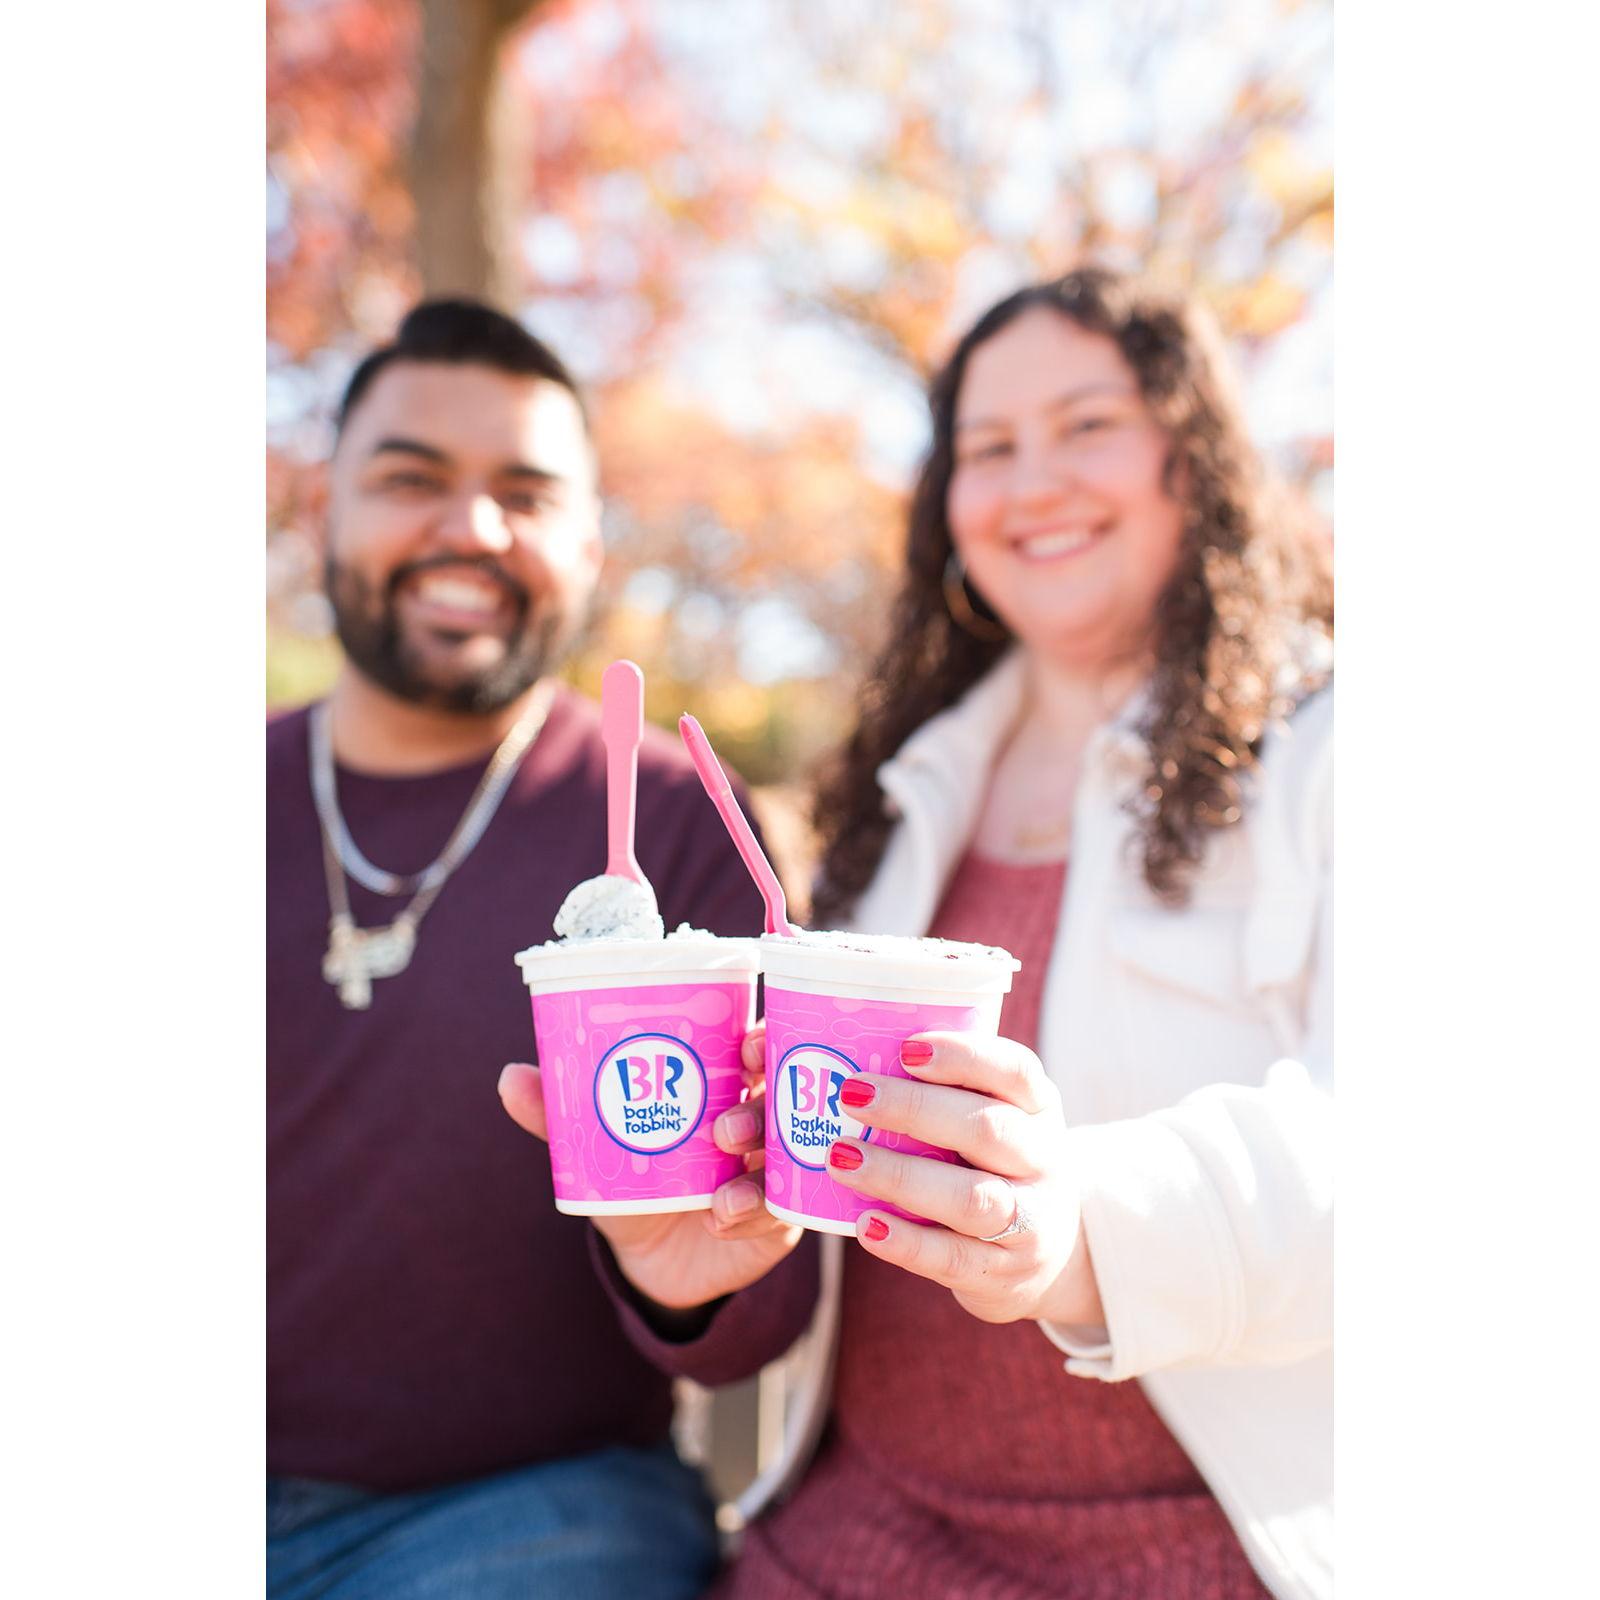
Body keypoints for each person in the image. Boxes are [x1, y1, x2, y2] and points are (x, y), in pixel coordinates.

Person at [506, 266, 1334, 1599]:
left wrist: (1080, 1226)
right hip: (852, 1535)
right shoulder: (902, 795)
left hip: (1197, 1552)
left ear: (1195, 458)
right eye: (988, 448)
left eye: (1086, 426)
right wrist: (691, 1267)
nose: (1033, 481)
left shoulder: (1330, 755)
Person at [267, 298, 817, 1600]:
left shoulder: (685, 825)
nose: (471, 528)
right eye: (411, 479)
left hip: (532, 1509)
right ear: (323, 508)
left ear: (588, 542)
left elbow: (755, 1299)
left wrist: (688, 1281)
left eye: (526, 491)